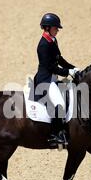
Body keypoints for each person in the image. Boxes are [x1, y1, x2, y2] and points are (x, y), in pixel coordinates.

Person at [33, 13, 81, 146]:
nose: (58, 30)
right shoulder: (43, 45)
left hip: (52, 78)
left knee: (69, 95)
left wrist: (74, 68)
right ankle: (54, 135)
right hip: (45, 80)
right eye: (56, 28)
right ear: (47, 28)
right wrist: (67, 72)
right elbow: (50, 67)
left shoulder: (52, 40)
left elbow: (59, 59)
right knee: (59, 103)